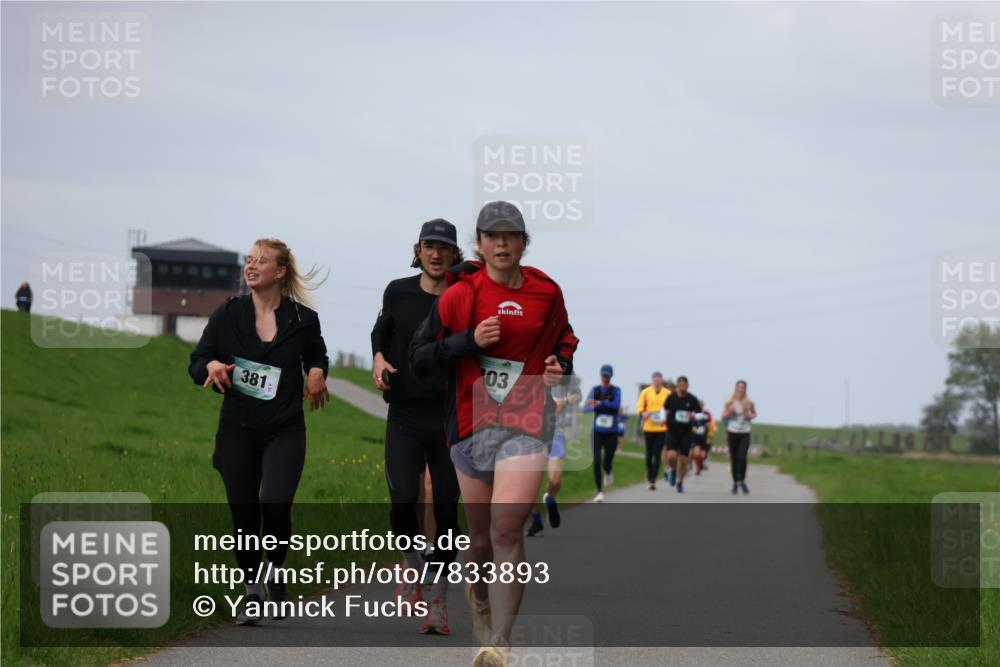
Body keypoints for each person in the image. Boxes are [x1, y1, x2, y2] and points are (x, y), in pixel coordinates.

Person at [410, 201, 578, 667]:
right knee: (479, 538)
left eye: (511, 236)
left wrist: (558, 366)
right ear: (479, 244)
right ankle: (479, 599)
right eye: (492, 236)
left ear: (525, 242)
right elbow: (419, 355)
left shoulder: (547, 291)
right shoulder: (461, 295)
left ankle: (500, 643)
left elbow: (566, 342)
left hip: (527, 420)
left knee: (508, 528)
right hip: (470, 423)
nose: (501, 244)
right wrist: (468, 342)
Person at [188, 238, 330, 625]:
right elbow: (197, 361)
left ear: (280, 272)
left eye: (261, 261)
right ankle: (252, 590)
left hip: (284, 428)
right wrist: (211, 367)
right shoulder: (228, 314)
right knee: (244, 511)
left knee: (276, 504)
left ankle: (276, 571)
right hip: (238, 428)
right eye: (248, 260)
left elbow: (317, 353)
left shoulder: (302, 319)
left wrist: (317, 371)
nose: (250, 266)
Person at [370, 219, 464, 634]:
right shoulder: (397, 290)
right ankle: (411, 566)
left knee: (445, 508)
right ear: (419, 249)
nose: (437, 253)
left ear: (454, 254)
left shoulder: (464, 298)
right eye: (430, 245)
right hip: (405, 413)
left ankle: (438, 602)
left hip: (448, 416)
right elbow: (381, 329)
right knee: (403, 499)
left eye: (444, 247)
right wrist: (377, 357)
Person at [527, 373, 581, 536]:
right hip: (532, 431)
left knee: (555, 480)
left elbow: (578, 396)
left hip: (556, 431)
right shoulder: (531, 366)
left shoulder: (565, 370)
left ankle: (549, 498)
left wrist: (564, 401)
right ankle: (536, 520)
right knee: (532, 480)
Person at [582, 364, 621, 502]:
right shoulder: (595, 389)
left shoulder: (616, 390)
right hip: (597, 431)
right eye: (603, 375)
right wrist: (597, 404)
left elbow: (616, 406)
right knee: (597, 460)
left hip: (612, 432)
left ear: (610, 376)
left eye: (607, 375)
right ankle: (599, 491)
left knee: (607, 461)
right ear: (600, 375)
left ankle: (609, 471)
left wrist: (598, 403)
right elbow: (585, 408)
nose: (605, 377)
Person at [663, 376, 701, 493]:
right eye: (679, 385)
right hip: (673, 431)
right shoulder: (671, 398)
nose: (681, 387)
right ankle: (673, 470)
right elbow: (663, 409)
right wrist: (663, 419)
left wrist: (693, 416)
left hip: (686, 433)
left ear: (687, 386)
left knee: (684, 460)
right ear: (677, 386)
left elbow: (700, 414)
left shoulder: (692, 399)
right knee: (671, 456)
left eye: (684, 385)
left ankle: (680, 482)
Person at [636, 372, 670, 490]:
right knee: (649, 454)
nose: (657, 381)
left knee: (657, 452)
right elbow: (640, 407)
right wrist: (643, 413)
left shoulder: (667, 393)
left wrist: (668, 413)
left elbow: (671, 407)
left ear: (662, 381)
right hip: (649, 426)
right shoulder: (645, 392)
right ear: (652, 380)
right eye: (655, 379)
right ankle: (649, 472)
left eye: (659, 379)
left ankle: (653, 479)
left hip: (662, 427)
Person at [722, 379, 757, 494]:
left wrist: (749, 415)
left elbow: (754, 414)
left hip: (744, 433)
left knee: (742, 457)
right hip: (732, 432)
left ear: (745, 390)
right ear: (736, 389)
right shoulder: (730, 402)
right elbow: (723, 417)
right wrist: (730, 412)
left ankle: (742, 480)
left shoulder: (749, 402)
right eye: (739, 387)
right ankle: (735, 483)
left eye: (743, 387)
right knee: (734, 459)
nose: (741, 389)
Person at [690, 404, 715, 475]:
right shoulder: (693, 413)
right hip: (695, 436)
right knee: (696, 453)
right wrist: (693, 427)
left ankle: (701, 465)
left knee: (703, 455)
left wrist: (707, 425)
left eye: (701, 405)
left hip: (704, 436)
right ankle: (698, 468)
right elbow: (690, 422)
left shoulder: (706, 414)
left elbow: (709, 423)